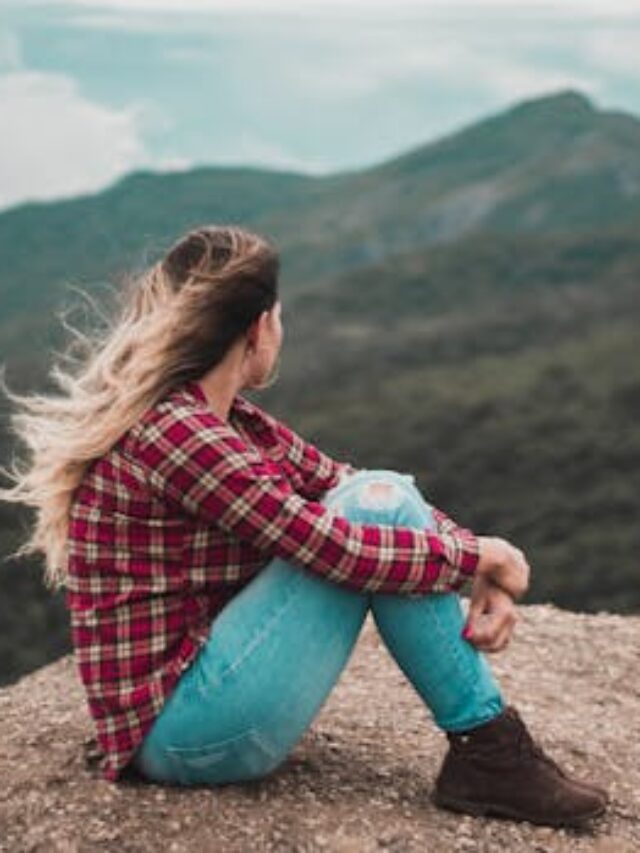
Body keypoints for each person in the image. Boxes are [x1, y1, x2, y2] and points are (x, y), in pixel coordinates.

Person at [0, 225, 607, 828]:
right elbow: (330, 545)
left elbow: (352, 483)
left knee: (382, 491)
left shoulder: (224, 422)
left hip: (198, 704)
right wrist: (479, 557)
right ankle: (490, 751)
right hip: (181, 731)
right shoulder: (178, 434)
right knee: (370, 514)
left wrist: (474, 559)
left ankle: (490, 752)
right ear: (258, 328)